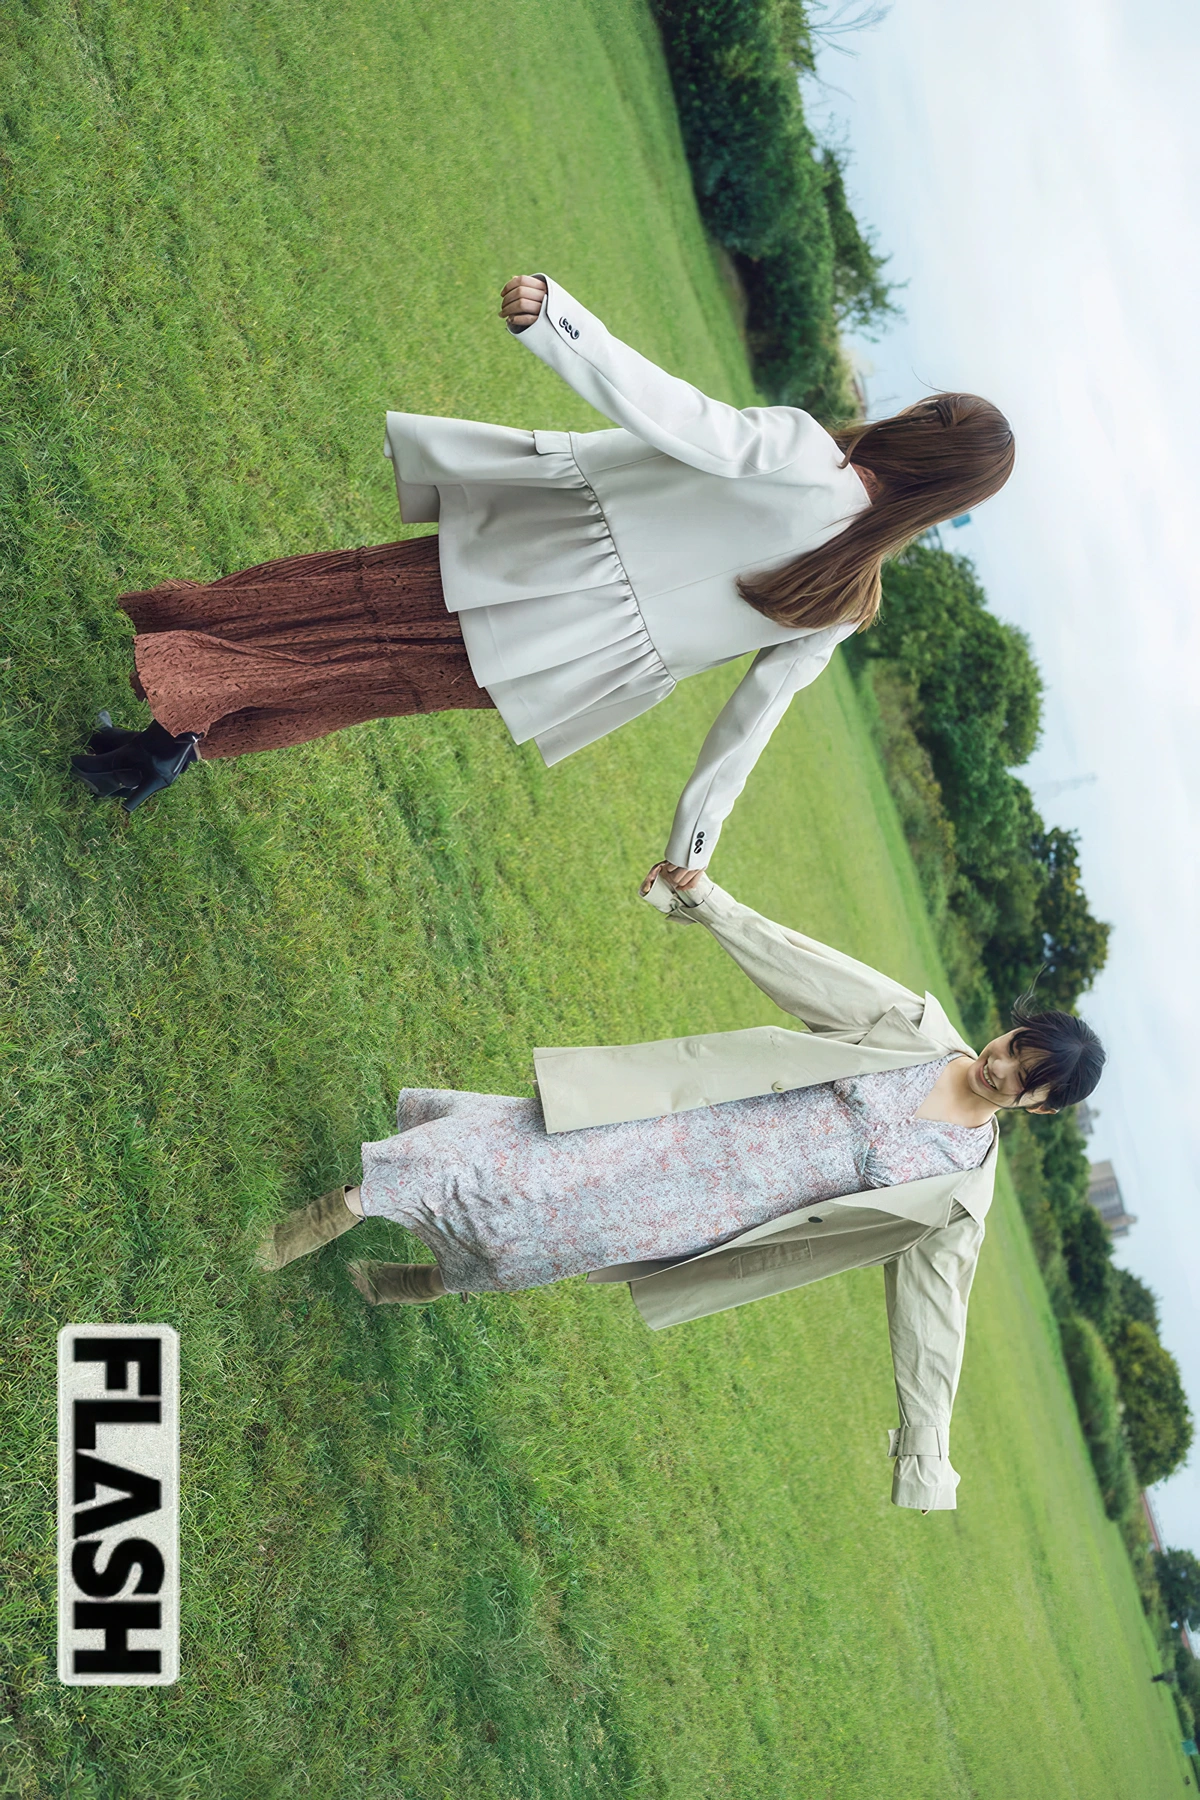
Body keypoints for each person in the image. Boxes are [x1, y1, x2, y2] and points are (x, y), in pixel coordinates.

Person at [71, 274, 1014, 867]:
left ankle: (171, 718)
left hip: (525, 566)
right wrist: (692, 849)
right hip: (559, 664)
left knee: (332, 612)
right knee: (355, 680)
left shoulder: (804, 453)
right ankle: (166, 746)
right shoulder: (850, 598)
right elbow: (749, 727)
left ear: (923, 430)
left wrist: (562, 324)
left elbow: (679, 414)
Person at [256, 863, 1103, 1513]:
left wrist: (925, 1450)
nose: (1000, 1067)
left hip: (703, 1212)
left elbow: (934, 1319)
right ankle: (334, 1213)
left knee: (545, 1243)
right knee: (516, 1156)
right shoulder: (911, 1031)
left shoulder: (960, 1190)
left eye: (1024, 1078)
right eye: (1012, 1045)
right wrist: (709, 903)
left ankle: (410, 1281)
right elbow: (804, 968)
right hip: (675, 1124)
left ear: (1039, 1107)